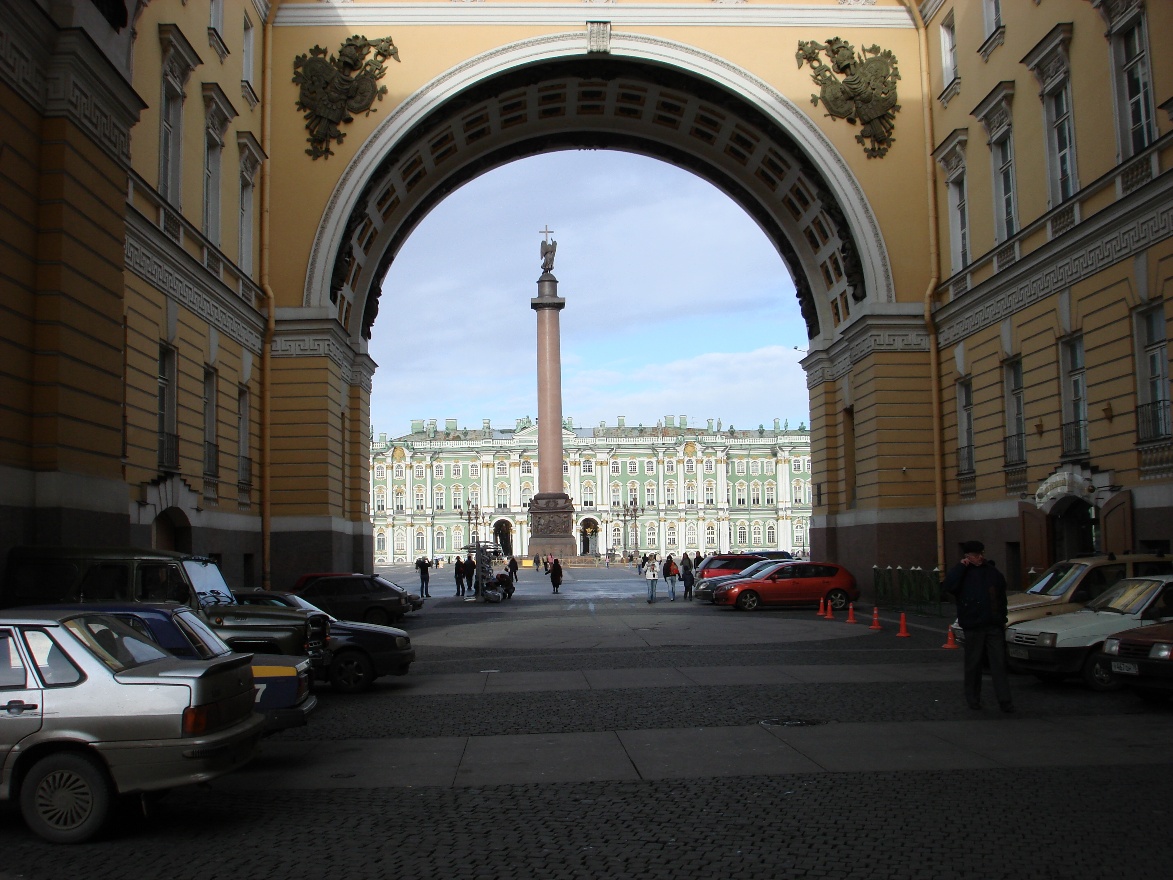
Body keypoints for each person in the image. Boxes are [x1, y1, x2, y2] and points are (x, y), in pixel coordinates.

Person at [942, 540, 1014, 713]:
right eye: (975, 555)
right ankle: (973, 699)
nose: (979, 557)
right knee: (973, 664)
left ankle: (1005, 700)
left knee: (998, 664)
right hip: (973, 625)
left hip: (992, 624)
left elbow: (1001, 595)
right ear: (967, 556)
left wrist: (1001, 618)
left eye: (981, 554)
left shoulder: (992, 572)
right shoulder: (962, 572)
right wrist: (960, 568)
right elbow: (948, 587)